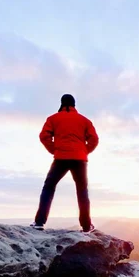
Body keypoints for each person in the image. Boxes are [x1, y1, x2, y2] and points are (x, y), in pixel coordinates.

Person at [31, 94, 99, 232]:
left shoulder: (53, 119)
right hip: (80, 160)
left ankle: (39, 222)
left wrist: (54, 149)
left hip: (60, 157)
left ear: (61, 103)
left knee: (49, 187)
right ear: (74, 105)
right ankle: (86, 226)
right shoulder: (84, 120)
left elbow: (44, 136)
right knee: (82, 191)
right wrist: (84, 151)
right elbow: (94, 139)